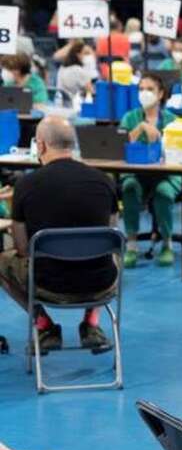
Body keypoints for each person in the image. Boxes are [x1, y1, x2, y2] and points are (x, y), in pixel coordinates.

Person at [0, 116, 116, 353]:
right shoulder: (104, 181)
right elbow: (112, 234)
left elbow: (23, 249)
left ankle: (44, 325)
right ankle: (92, 323)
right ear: (72, 145)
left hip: (47, 284)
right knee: (115, 253)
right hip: (101, 283)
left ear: (40, 145)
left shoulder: (26, 185)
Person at [119, 73, 179, 268]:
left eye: (150, 89)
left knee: (163, 192)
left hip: (166, 175)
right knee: (128, 187)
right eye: (141, 89)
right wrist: (140, 128)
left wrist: (160, 139)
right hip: (137, 174)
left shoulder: (172, 120)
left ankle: (167, 244)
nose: (144, 93)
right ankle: (132, 244)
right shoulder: (130, 117)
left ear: (161, 93)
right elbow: (121, 144)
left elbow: (178, 151)